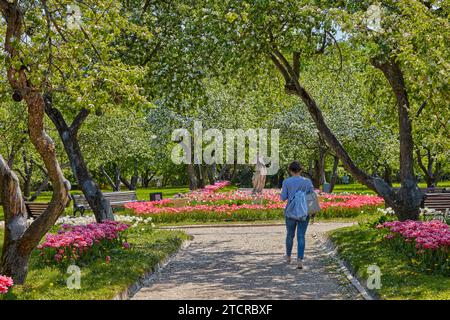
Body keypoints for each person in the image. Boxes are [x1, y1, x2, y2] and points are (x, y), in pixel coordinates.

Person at [280, 161, 314, 269]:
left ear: (290, 170)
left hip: (290, 212)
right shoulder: (307, 182)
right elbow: (311, 198)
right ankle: (300, 259)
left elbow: (283, 197)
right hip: (303, 212)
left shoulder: (287, 182)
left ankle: (288, 257)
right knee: (301, 236)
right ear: (301, 170)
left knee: (290, 235)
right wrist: (312, 212)